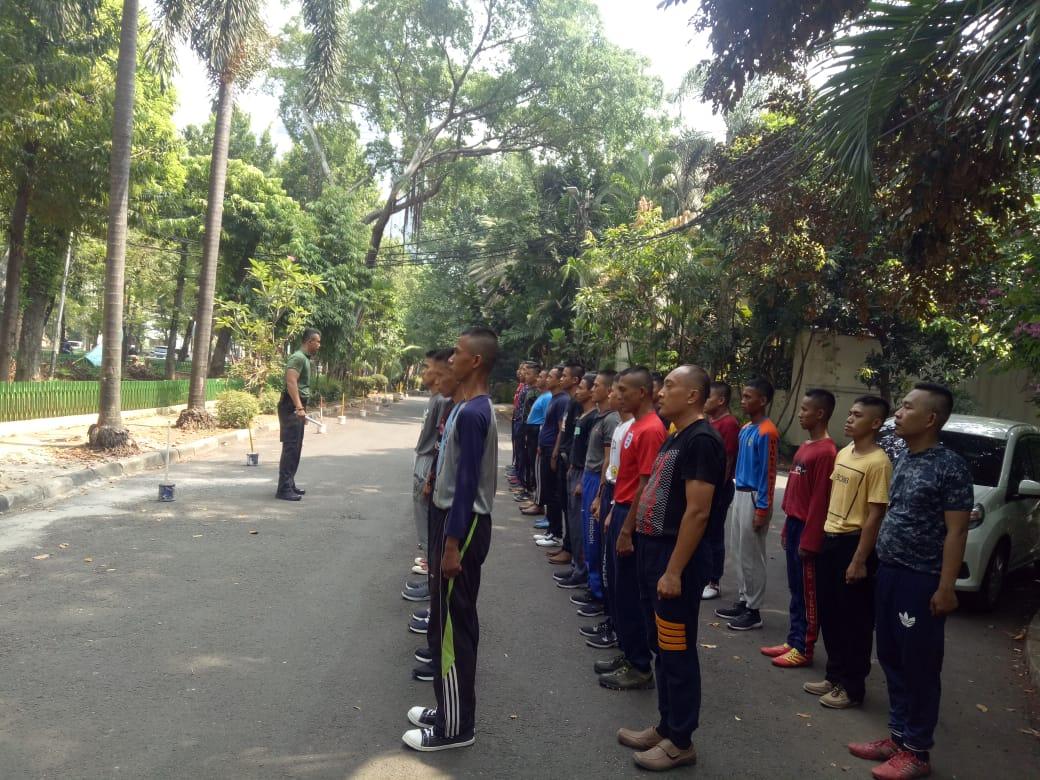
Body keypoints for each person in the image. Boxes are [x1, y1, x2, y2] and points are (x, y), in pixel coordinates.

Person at [848, 383, 972, 780]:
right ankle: (898, 737)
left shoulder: (950, 467)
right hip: (890, 572)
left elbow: (956, 532)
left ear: (930, 418)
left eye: (906, 407)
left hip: (922, 579)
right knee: (890, 656)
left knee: (919, 665)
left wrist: (946, 587)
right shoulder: (903, 456)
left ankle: (917, 751)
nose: (897, 414)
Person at [617, 365, 726, 771]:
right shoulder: (677, 435)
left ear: (693, 395)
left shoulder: (702, 440)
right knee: (662, 645)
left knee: (676, 648)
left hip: (674, 557)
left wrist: (674, 571)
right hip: (654, 553)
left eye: (669, 386)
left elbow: (697, 512)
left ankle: (681, 741)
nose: (660, 392)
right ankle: (666, 726)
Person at [404, 327, 499, 753]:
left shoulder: (476, 412)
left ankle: (456, 727)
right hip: (450, 520)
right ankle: (448, 708)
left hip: (463, 524)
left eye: (458, 353)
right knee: (447, 622)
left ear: (474, 361)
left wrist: (452, 543)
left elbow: (466, 486)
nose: (451, 359)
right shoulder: (464, 407)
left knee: (452, 631)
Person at [807, 395, 892, 709]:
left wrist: (859, 559)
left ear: (875, 423)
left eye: (857, 415)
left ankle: (853, 688)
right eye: (850, 413)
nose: (849, 418)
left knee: (854, 621)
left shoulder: (878, 463)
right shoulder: (844, 452)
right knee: (830, 614)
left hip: (854, 544)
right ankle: (834, 676)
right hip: (831, 539)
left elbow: (875, 514)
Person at [598, 367, 667, 691]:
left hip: (633, 518)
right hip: (622, 510)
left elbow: (645, 484)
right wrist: (614, 511)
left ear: (642, 392)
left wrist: (627, 528)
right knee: (618, 590)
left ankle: (640, 666)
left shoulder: (651, 429)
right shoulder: (634, 426)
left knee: (630, 594)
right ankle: (628, 654)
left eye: (624, 389)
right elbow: (624, 479)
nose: (619, 394)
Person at [761, 389, 837, 667]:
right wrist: (785, 528)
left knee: (807, 592)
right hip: (794, 524)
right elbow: (795, 491)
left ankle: (804, 647)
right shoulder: (805, 446)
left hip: (807, 528)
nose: (801, 414)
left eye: (805, 409)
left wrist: (810, 539)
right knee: (795, 588)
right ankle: (793, 639)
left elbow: (820, 500)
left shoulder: (827, 452)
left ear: (820, 413)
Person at [716, 377, 778, 631]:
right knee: (740, 551)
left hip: (754, 496)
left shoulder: (767, 432)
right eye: (742, 396)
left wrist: (763, 507)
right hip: (740, 492)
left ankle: (754, 610)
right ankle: (743, 600)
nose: (743, 401)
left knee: (753, 555)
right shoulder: (745, 429)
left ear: (762, 401)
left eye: (748, 397)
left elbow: (768, 473)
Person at [582, 376, 632, 654]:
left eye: (619, 390)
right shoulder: (621, 426)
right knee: (606, 561)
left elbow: (638, 480)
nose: (614, 394)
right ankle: (611, 621)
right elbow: (612, 467)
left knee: (617, 571)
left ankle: (621, 634)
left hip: (620, 499)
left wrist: (608, 502)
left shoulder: (638, 428)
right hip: (611, 493)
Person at [569, 370, 619, 617]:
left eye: (597, 385)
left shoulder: (611, 420)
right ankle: (592, 585)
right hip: (588, 477)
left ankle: (599, 594)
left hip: (597, 481)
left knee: (593, 537)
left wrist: (599, 494)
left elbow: (608, 461)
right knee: (589, 539)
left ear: (608, 390)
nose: (592, 389)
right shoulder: (600, 417)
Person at [555, 372, 598, 588]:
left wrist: (581, 477)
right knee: (573, 522)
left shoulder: (594, 418)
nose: (578, 391)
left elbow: (593, 454)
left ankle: (583, 571)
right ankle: (576, 565)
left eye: (582, 387)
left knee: (582, 527)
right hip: (575, 470)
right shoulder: (582, 414)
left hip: (583, 474)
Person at [411, 351, 451, 573]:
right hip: (423, 458)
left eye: (427, 367)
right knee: (420, 511)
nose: (423, 372)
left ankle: (431, 561)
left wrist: (431, 475)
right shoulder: (434, 398)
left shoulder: (442, 401)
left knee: (425, 512)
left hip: (428, 461)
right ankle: (429, 555)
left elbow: (440, 440)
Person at [702, 382, 739, 600]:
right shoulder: (709, 421)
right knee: (702, 533)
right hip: (705, 487)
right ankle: (703, 575)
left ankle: (714, 581)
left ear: (721, 400)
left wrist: (715, 491)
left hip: (718, 490)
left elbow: (728, 459)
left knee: (714, 534)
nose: (705, 401)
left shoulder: (729, 424)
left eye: (709, 397)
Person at [545, 362, 584, 564]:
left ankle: (571, 551)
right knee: (564, 505)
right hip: (563, 458)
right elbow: (563, 429)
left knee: (572, 511)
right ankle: (566, 546)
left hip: (571, 461)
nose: (561, 379)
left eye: (565, 376)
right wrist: (556, 452)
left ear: (575, 380)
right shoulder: (571, 401)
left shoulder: (579, 403)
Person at [276, 328, 320, 501]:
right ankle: (283, 489)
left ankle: (290, 483)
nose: (319, 345)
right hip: (290, 406)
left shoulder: (305, 359)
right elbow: (291, 382)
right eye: (317, 341)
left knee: (296, 448)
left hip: (296, 406)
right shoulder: (298, 357)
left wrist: (302, 409)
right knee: (290, 448)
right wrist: (299, 408)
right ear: (309, 341)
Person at [534, 366, 570, 547]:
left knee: (553, 493)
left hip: (551, 450)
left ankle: (556, 533)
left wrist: (555, 452)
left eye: (551, 376)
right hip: (546, 448)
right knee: (548, 491)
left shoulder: (562, 400)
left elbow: (560, 429)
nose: (546, 379)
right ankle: (550, 530)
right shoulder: (553, 398)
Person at [520, 369, 551, 520]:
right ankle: (535, 499)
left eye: (542, 377)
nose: (538, 379)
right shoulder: (543, 395)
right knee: (533, 467)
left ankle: (538, 503)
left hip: (537, 433)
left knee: (537, 470)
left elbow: (546, 421)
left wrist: (540, 440)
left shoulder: (548, 397)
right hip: (532, 432)